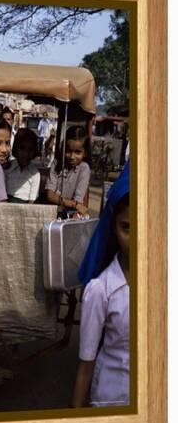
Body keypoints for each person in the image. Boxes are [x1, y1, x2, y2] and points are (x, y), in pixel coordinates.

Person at [72, 163, 130, 408]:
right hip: (111, 401)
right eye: (127, 227)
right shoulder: (101, 290)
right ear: (113, 228)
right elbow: (87, 362)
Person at [45, 126, 91, 216]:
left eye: (77, 152)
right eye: (69, 151)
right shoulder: (57, 163)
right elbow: (50, 195)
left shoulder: (84, 169)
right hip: (52, 211)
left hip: (68, 214)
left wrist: (73, 204)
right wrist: (73, 204)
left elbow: (78, 200)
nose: (72, 157)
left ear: (85, 153)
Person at [5, 128, 40, 203]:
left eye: (30, 149)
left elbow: (31, 201)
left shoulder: (35, 174)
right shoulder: (8, 167)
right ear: (15, 148)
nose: (26, 153)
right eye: (22, 148)